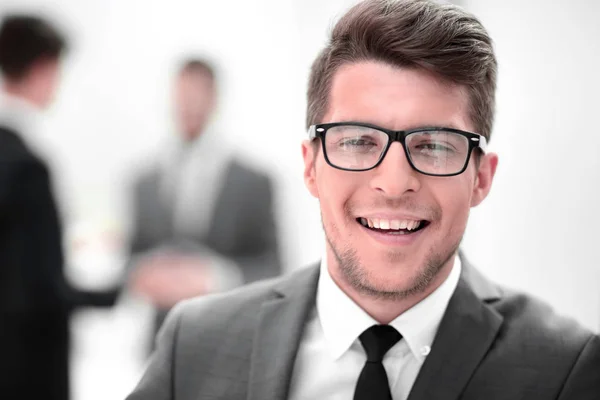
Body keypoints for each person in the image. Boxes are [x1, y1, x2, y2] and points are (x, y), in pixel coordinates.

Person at [126, 1, 600, 399]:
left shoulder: (567, 371)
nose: (394, 184)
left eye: (434, 145)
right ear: (310, 166)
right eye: (357, 141)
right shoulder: (194, 344)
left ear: (481, 178)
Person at [0, 14, 118, 400]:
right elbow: (42, 289)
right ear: (42, 69)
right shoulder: (26, 165)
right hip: (25, 368)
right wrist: (117, 290)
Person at [127, 59, 280, 338]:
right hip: (162, 340)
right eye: (182, 96)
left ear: (214, 99)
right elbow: (131, 256)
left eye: (196, 96)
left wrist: (216, 278)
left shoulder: (253, 181)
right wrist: (143, 274)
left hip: (231, 337)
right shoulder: (143, 181)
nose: (188, 106)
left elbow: (274, 268)